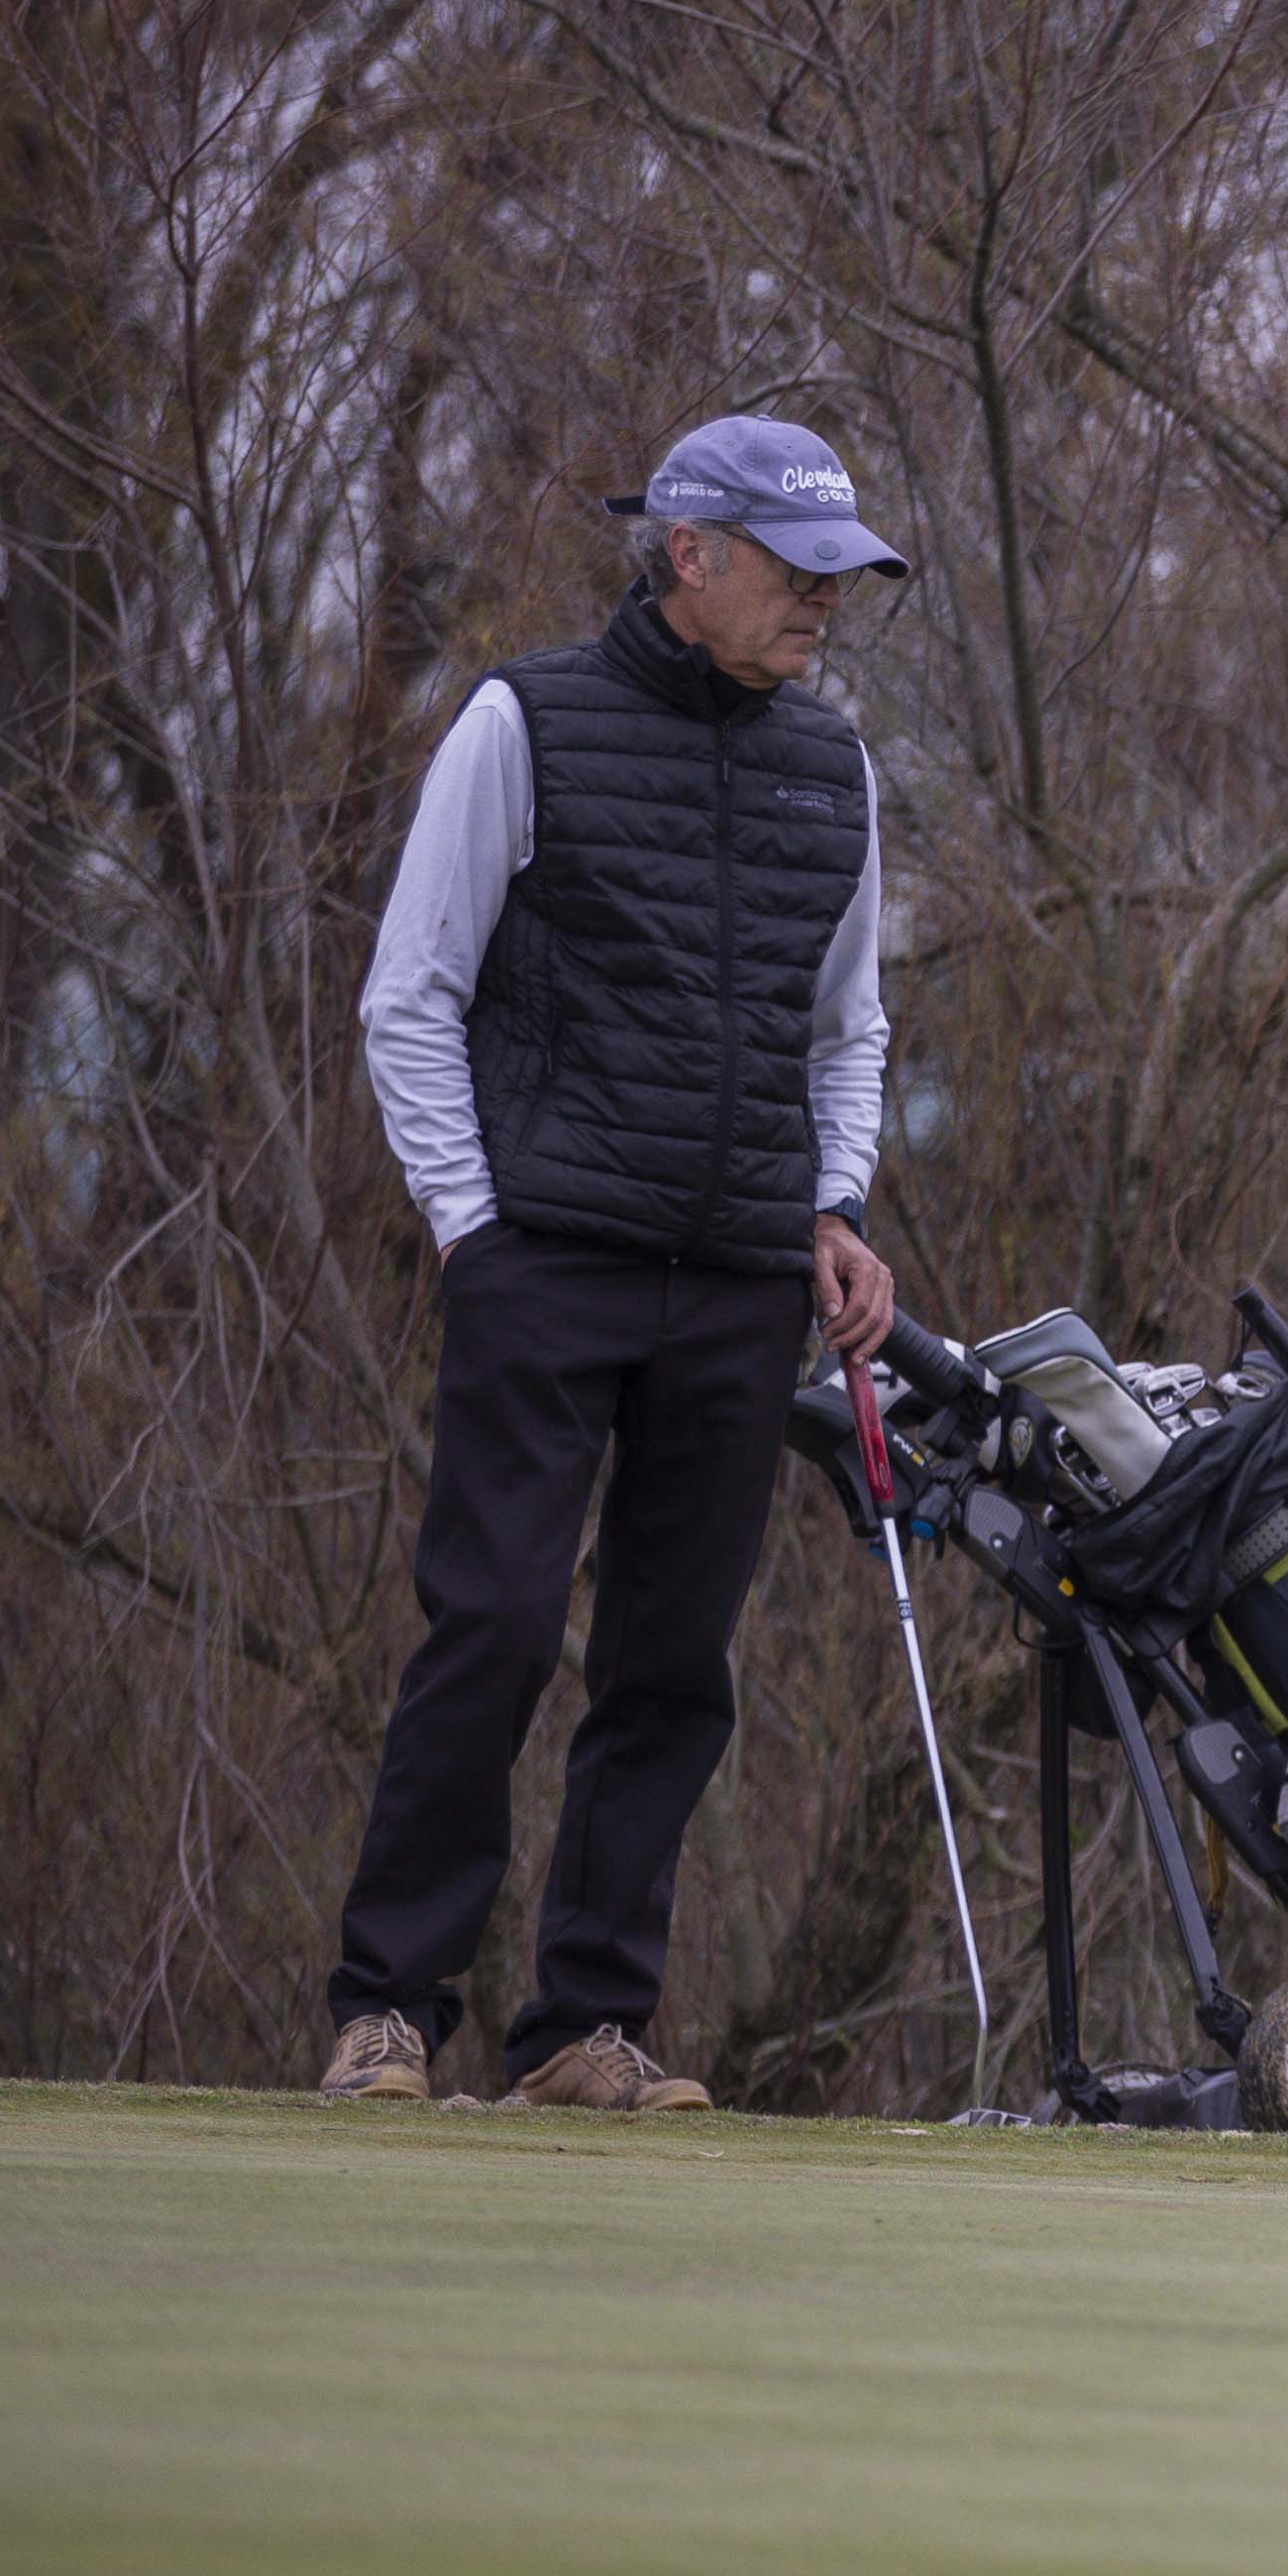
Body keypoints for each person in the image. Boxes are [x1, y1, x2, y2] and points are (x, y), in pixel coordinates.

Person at [314, 418, 908, 2111]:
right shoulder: (524, 719)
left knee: (672, 1668)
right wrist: (474, 1229)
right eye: (797, 569)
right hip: (548, 1259)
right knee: (494, 1629)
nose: (825, 601)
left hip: (738, 1278)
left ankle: (586, 2028)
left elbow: (846, 1028)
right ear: (688, 554)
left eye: (843, 575)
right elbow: (410, 994)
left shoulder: (835, 771)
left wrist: (833, 1206)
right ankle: (386, 2008)